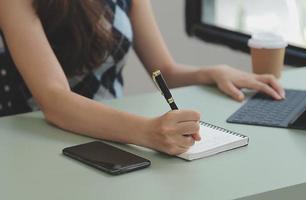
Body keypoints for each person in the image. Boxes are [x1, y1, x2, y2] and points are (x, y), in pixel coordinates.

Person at [0, 0, 285, 155]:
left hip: (113, 137)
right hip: (36, 143)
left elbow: (163, 71)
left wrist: (212, 72)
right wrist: (148, 131)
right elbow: (54, 100)